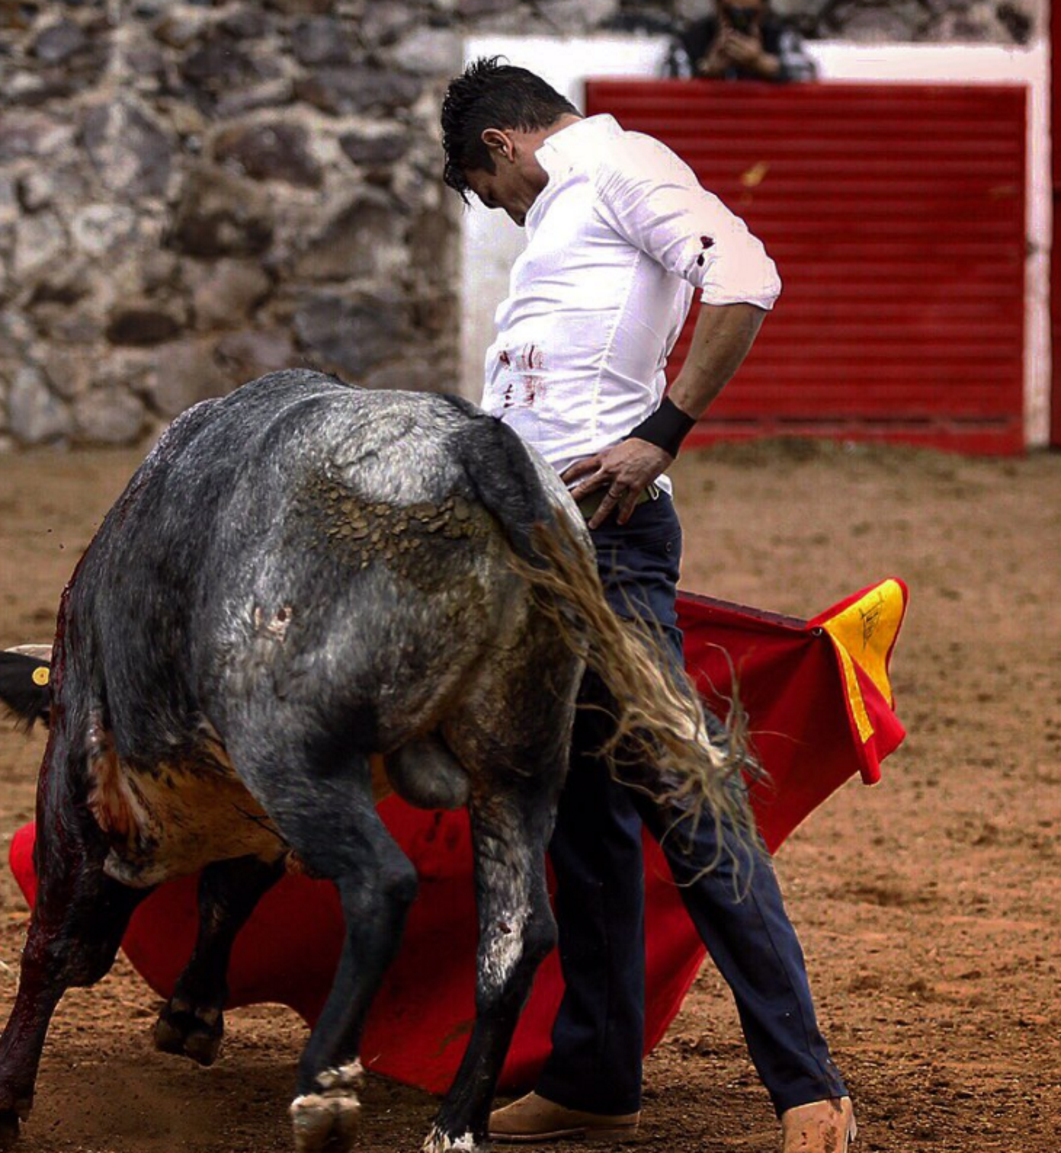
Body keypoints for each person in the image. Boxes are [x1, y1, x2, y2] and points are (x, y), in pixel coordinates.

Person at [440, 58, 854, 1153]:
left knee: (686, 796)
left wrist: (658, 432)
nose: (509, 214)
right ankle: (593, 1078)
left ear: (500, 146)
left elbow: (746, 277)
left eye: (496, 197)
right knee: (582, 819)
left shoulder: (621, 165)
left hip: (608, 549)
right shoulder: (576, 208)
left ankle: (807, 1086)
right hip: (528, 550)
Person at [664, 0, 816, 82]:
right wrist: (708, 69)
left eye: (749, 14)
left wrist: (762, 63)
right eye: (731, 12)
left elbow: (808, 76)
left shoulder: (781, 37)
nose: (740, 20)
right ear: (717, 6)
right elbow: (668, 89)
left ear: (763, 8)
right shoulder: (691, 39)